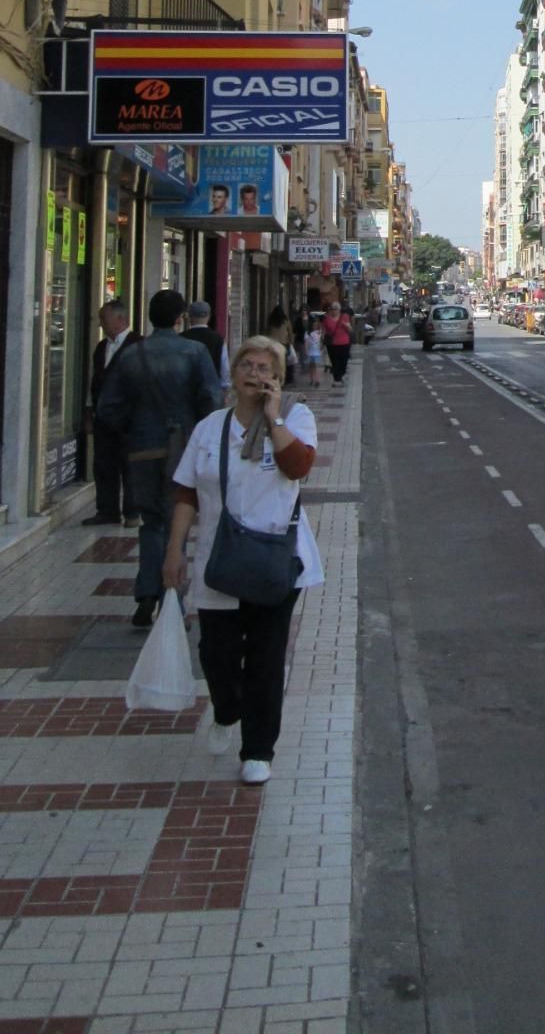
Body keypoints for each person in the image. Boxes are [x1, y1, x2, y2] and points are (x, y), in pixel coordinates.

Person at [163, 336, 322, 786]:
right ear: (232, 375)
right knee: (217, 654)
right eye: (247, 366)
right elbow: (187, 492)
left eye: (265, 368)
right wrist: (174, 550)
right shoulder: (210, 428)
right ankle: (227, 709)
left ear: (278, 377)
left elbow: (299, 466)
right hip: (220, 559)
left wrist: (273, 418)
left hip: (275, 559)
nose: (255, 374)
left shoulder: (295, 417)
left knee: (266, 658)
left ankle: (258, 750)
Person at [98, 289, 221, 628]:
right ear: (181, 318)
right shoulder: (194, 352)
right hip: (182, 450)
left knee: (152, 522)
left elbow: (108, 407)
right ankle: (172, 603)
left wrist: (133, 430)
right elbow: (211, 398)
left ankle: (147, 593)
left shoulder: (131, 354)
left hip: (142, 450)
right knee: (176, 523)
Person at [88, 299, 139, 526]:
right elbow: (95, 381)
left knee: (129, 466)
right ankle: (107, 510)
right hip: (103, 418)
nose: (100, 324)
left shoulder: (138, 345)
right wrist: (90, 411)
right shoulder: (101, 347)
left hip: (129, 419)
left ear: (120, 319)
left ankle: (132, 512)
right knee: (104, 464)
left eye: (104, 318)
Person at [185, 300, 231, 390]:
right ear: (209, 317)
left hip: (186, 389)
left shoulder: (182, 337)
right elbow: (224, 368)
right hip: (211, 389)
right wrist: (225, 387)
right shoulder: (219, 339)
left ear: (190, 316)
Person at [323, 300, 353, 385]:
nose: (334, 311)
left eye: (336, 309)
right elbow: (324, 331)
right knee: (334, 362)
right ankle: (337, 379)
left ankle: (341, 375)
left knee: (344, 361)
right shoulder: (327, 319)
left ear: (339, 309)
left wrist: (347, 326)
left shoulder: (345, 316)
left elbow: (350, 330)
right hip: (332, 344)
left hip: (344, 343)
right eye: (332, 309)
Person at [302, 315, 324, 388]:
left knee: (316, 366)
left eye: (316, 323)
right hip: (310, 352)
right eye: (314, 324)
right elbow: (306, 343)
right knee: (311, 366)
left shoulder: (319, 332)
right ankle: (312, 379)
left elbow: (322, 341)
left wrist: (322, 349)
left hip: (317, 352)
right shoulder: (308, 333)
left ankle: (317, 380)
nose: (315, 325)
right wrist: (306, 351)